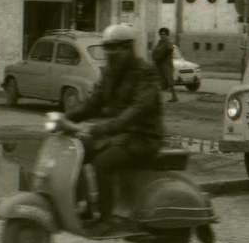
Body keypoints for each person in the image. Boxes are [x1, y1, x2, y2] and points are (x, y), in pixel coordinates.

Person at [64, 23, 165, 227]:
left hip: (143, 137)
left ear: (128, 47)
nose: (110, 52)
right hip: (119, 136)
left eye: (115, 47)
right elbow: (93, 103)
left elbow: (136, 111)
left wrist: (102, 128)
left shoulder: (146, 73)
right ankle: (82, 206)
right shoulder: (110, 72)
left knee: (103, 162)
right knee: (76, 150)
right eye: (107, 47)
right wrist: (65, 118)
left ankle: (106, 217)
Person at [151, 27, 178, 103]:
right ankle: (156, 98)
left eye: (164, 34)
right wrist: (155, 58)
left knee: (169, 81)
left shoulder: (168, 42)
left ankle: (174, 97)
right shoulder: (160, 42)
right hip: (159, 64)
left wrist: (159, 58)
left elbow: (168, 52)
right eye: (161, 34)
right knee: (159, 80)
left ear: (167, 35)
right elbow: (155, 51)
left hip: (166, 64)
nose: (162, 35)